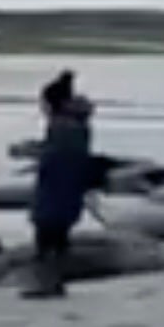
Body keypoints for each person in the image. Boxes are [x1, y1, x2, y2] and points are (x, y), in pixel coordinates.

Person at [25, 83, 96, 300]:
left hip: (55, 192)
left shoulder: (61, 126)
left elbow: (55, 158)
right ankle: (54, 282)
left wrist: (32, 152)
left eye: (43, 103)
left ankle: (48, 284)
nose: (41, 107)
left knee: (46, 241)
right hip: (69, 192)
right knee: (58, 240)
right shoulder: (77, 124)